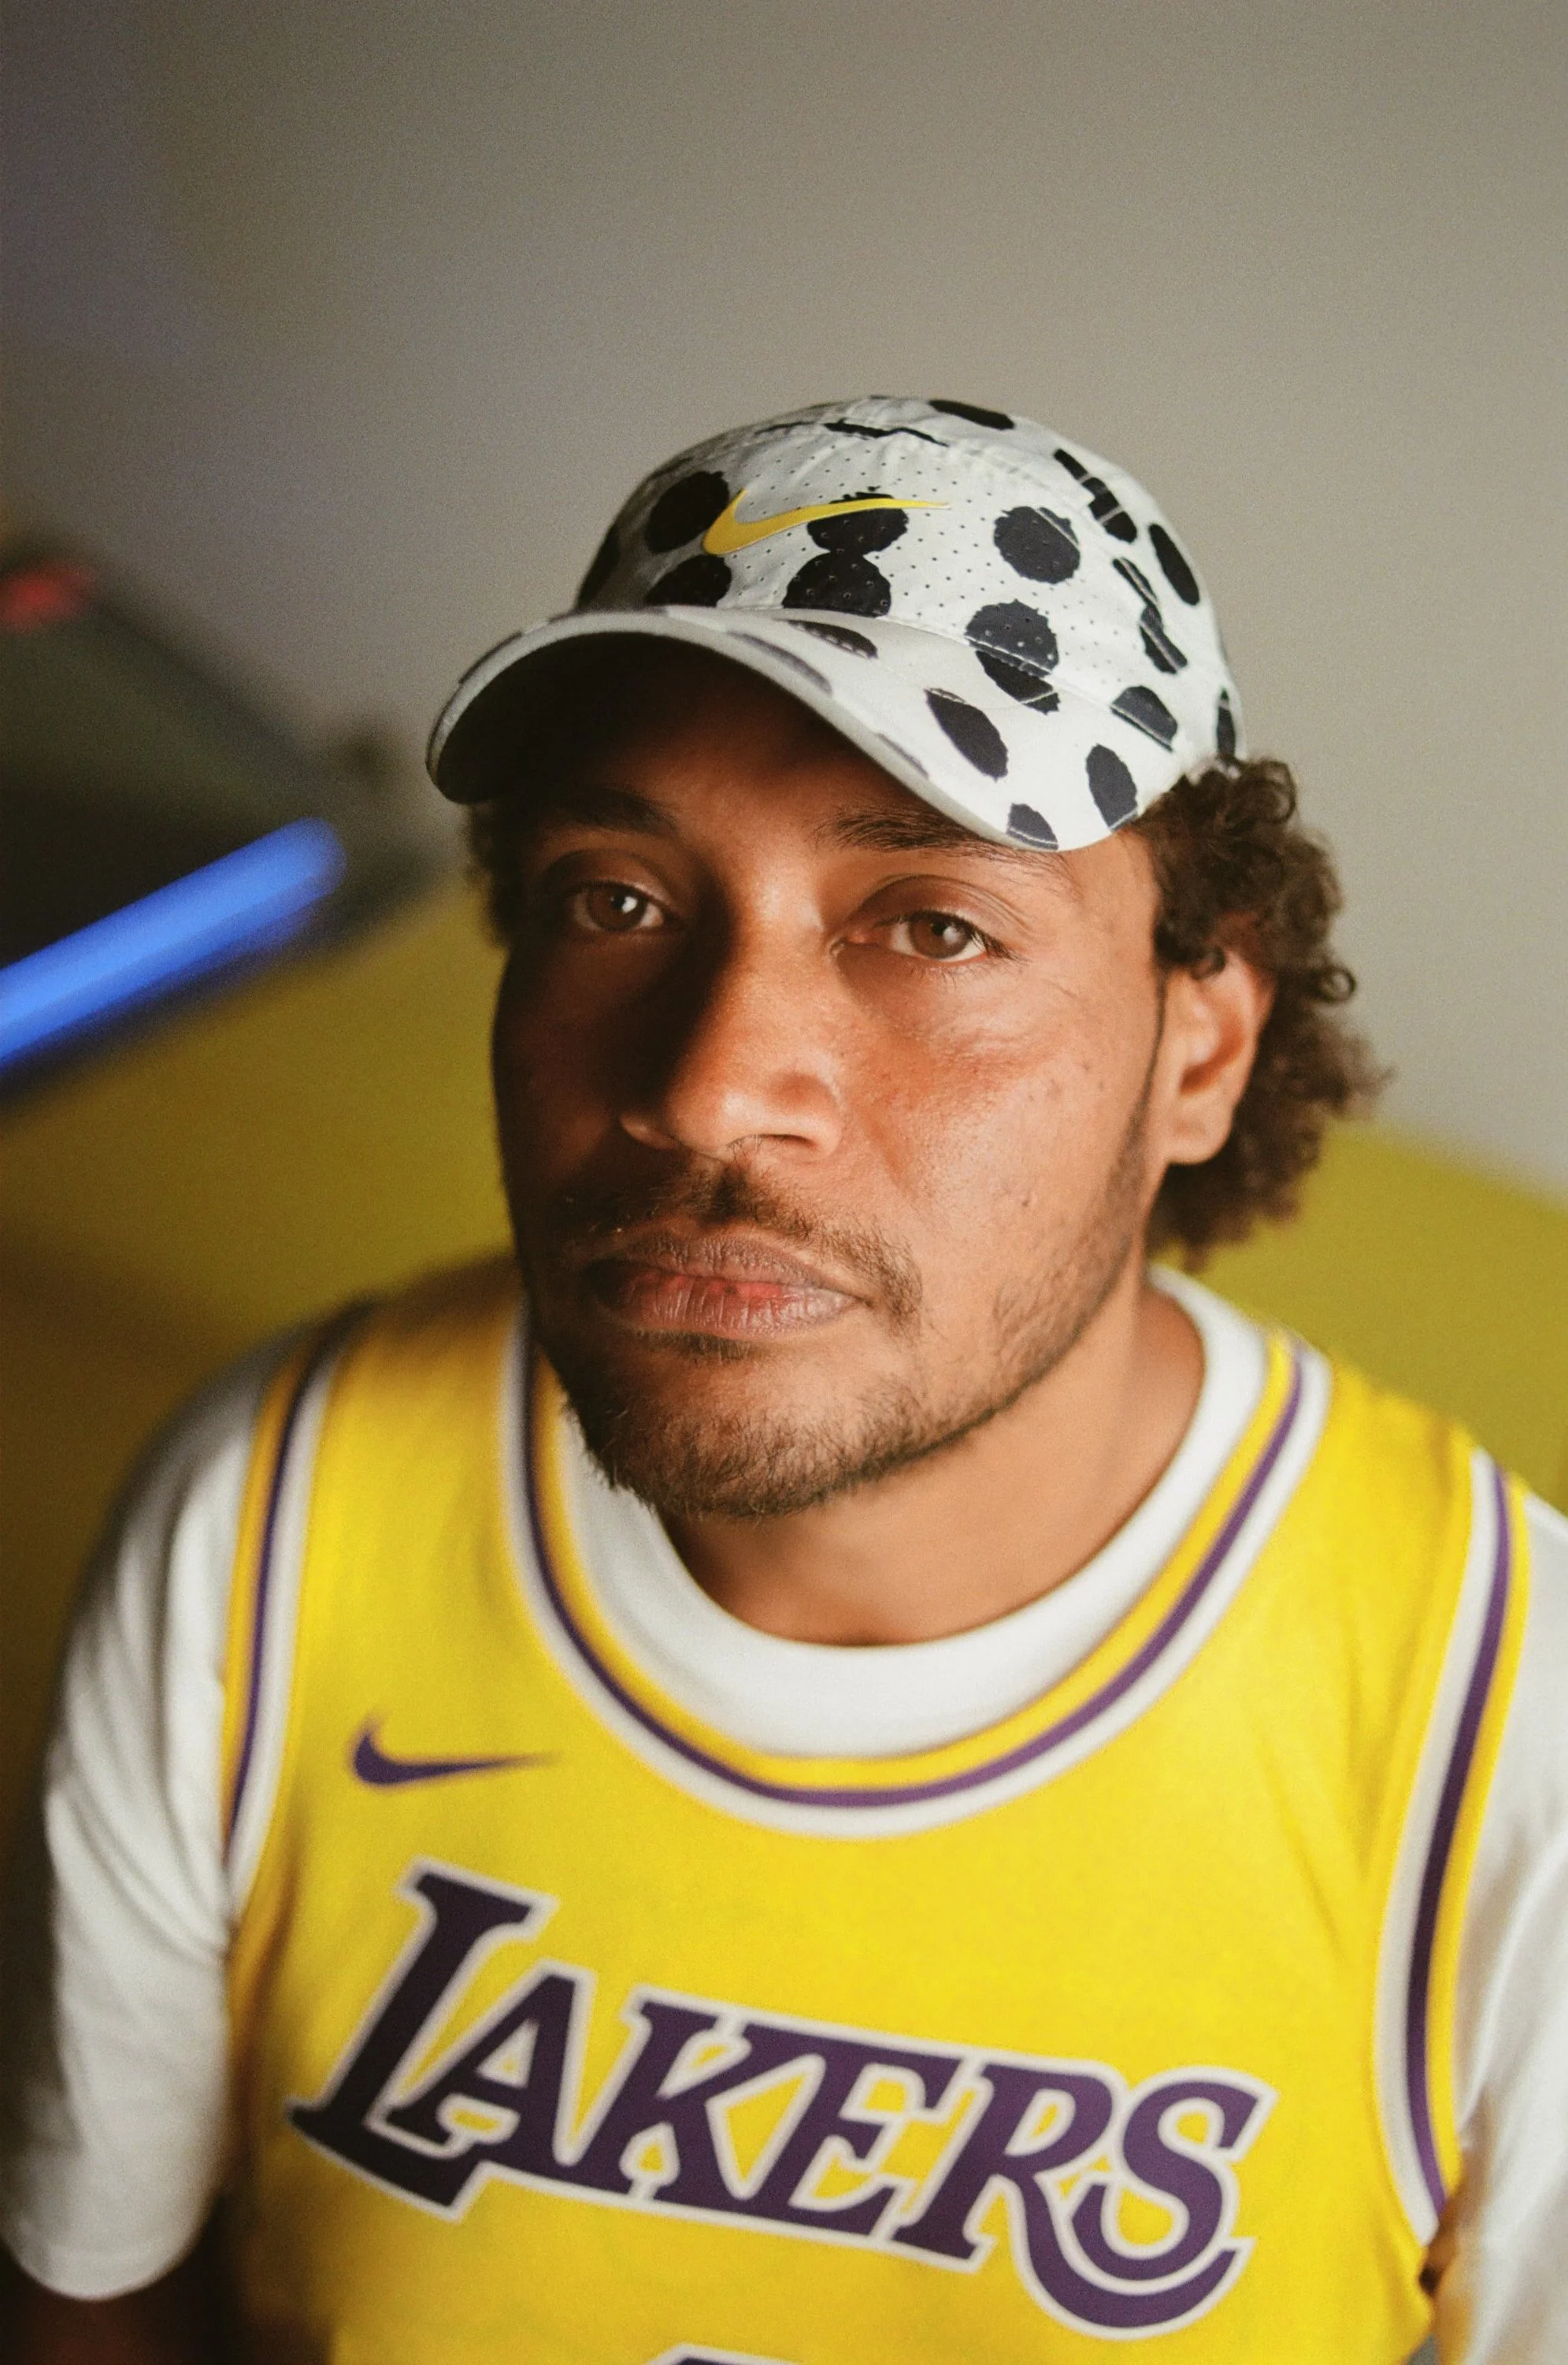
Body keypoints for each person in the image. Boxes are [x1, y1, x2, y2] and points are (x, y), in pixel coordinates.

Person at [2, 397, 1565, 2363]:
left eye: (931, 922)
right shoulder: (265, 1527)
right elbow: (94, 2310)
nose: (706, 1084)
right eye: (615, 900)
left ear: (1196, 1049)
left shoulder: (1506, 1742)